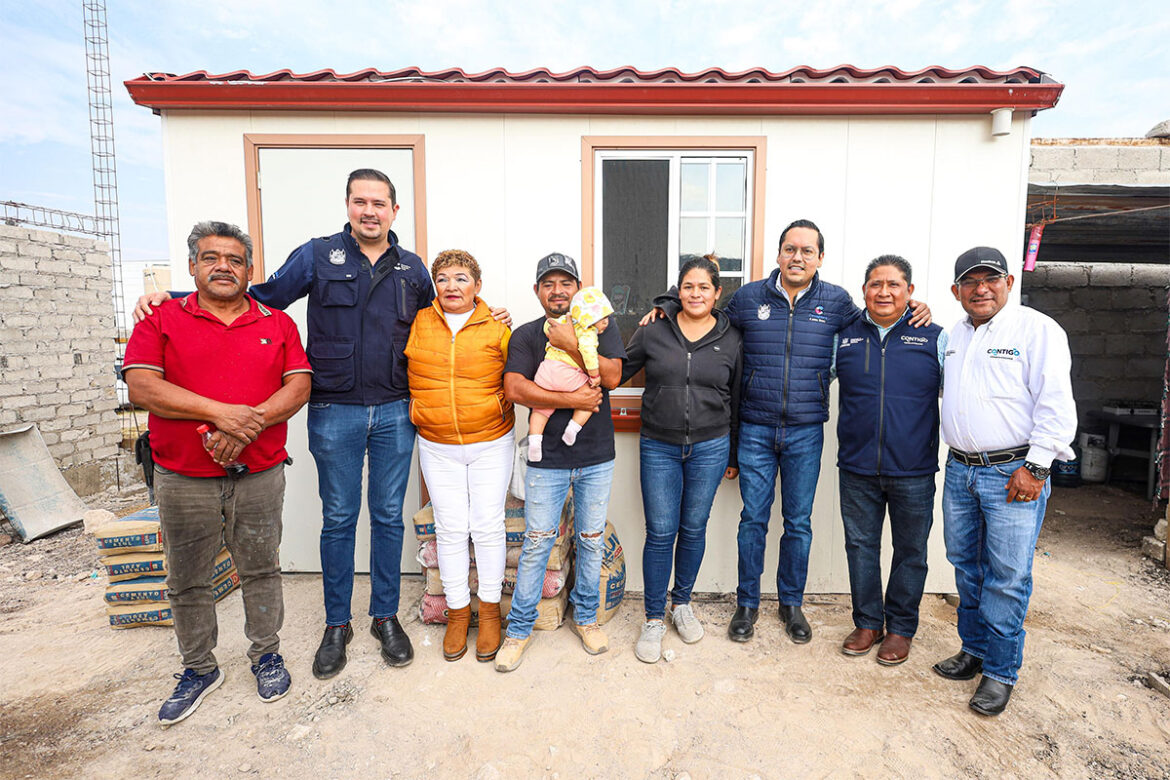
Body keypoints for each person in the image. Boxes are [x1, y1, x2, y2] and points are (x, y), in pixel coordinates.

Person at [135, 169, 510, 679]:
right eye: (360, 202)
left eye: (379, 203)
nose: (370, 211)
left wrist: (494, 318)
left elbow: (445, 321)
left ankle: (383, 617)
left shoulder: (414, 270)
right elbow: (261, 295)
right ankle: (338, 623)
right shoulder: (318, 255)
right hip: (334, 410)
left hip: (398, 410)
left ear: (395, 211)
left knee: (385, 516)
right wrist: (178, 297)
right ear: (349, 207)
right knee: (338, 518)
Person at [645, 220, 930, 645]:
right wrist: (667, 303)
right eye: (790, 249)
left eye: (807, 251)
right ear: (778, 254)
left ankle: (791, 603)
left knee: (798, 522)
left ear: (819, 258)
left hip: (805, 429)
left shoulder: (836, 302)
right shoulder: (748, 297)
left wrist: (914, 308)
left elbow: (877, 319)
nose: (798, 257)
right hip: (756, 427)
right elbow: (703, 308)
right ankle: (747, 604)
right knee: (753, 520)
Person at [124, 221, 312, 725]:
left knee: (261, 567)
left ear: (250, 270)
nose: (223, 267)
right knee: (187, 578)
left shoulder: (277, 322)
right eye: (211, 258)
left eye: (234, 259)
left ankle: (266, 654)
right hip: (183, 475)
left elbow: (297, 389)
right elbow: (142, 386)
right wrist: (221, 412)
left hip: (258, 473)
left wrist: (244, 426)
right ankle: (199, 668)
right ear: (192, 267)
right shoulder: (161, 318)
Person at [933, 246, 1075, 716]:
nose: (981, 289)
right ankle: (973, 650)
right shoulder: (953, 335)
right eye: (970, 282)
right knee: (965, 565)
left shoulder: (1036, 330)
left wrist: (1036, 467)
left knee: (1007, 576)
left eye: (990, 279)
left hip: (1012, 473)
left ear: (1008, 284)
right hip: (960, 470)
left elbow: (1056, 402)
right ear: (957, 291)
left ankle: (1000, 671)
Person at [494, 252, 626, 672]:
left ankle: (585, 618)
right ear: (537, 292)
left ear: (577, 288)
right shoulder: (527, 336)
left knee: (589, 539)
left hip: (596, 455)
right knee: (537, 543)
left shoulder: (602, 325)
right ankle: (518, 630)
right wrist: (572, 400)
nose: (557, 291)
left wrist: (572, 345)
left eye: (565, 283)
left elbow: (613, 377)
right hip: (545, 458)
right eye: (548, 284)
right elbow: (515, 388)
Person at [622, 255, 742, 663]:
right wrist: (587, 336)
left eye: (703, 287)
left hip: (711, 445)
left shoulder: (731, 336)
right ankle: (654, 617)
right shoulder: (654, 330)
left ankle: (682, 604)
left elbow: (738, 398)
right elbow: (618, 371)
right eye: (688, 287)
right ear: (678, 290)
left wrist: (735, 452)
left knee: (693, 528)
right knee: (660, 531)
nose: (696, 294)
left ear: (716, 292)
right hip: (659, 445)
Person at [832, 255, 945, 666]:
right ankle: (867, 623)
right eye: (875, 284)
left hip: (913, 469)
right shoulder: (843, 337)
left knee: (910, 551)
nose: (884, 292)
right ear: (863, 290)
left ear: (910, 292)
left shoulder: (935, 338)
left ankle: (900, 628)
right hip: (857, 467)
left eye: (894, 285)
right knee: (860, 547)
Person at [405, 249, 514, 663]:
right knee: (450, 529)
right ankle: (457, 612)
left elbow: (517, 374)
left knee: (486, 525)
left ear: (477, 286)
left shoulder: (497, 328)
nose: (452, 286)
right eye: (444, 278)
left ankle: (489, 613)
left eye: (461, 278)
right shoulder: (419, 322)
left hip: (490, 440)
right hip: (437, 444)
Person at [527, 286, 615, 462]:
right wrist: (595, 376)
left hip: (546, 371)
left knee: (540, 410)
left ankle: (535, 440)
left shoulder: (563, 321)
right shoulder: (587, 332)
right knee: (590, 398)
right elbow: (588, 354)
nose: (606, 322)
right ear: (589, 317)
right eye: (602, 318)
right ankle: (573, 428)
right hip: (567, 375)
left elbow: (547, 328)